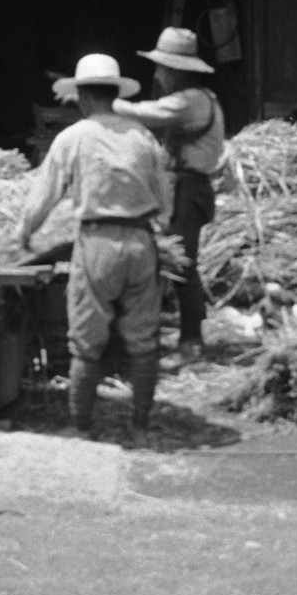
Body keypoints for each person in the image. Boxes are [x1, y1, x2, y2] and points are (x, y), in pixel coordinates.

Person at [18, 54, 174, 445]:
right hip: (141, 243)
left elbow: (44, 194)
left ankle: (82, 426)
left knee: (87, 343)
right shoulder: (141, 136)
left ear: (84, 97)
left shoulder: (73, 138)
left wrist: (25, 233)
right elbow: (165, 199)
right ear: (114, 94)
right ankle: (139, 429)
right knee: (143, 342)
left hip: (97, 244)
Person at [112, 27, 224, 367]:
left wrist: (104, 99)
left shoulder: (190, 100)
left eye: (163, 68)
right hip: (187, 189)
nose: (158, 74)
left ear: (176, 70)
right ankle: (181, 335)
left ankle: (192, 343)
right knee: (179, 264)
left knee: (181, 266)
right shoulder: (201, 98)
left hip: (189, 191)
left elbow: (146, 112)